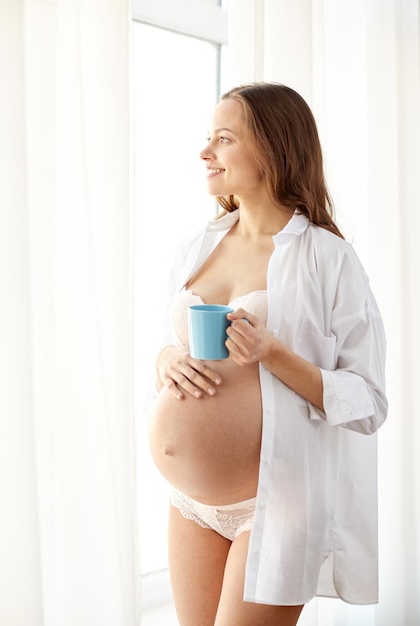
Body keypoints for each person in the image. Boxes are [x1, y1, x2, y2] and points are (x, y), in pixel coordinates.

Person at [147, 82, 387, 626]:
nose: (205, 153)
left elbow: (369, 401)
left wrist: (274, 354)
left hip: (276, 502)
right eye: (207, 138)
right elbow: (172, 349)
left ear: (273, 150)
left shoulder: (327, 258)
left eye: (223, 139)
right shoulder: (198, 245)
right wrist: (164, 358)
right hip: (191, 503)